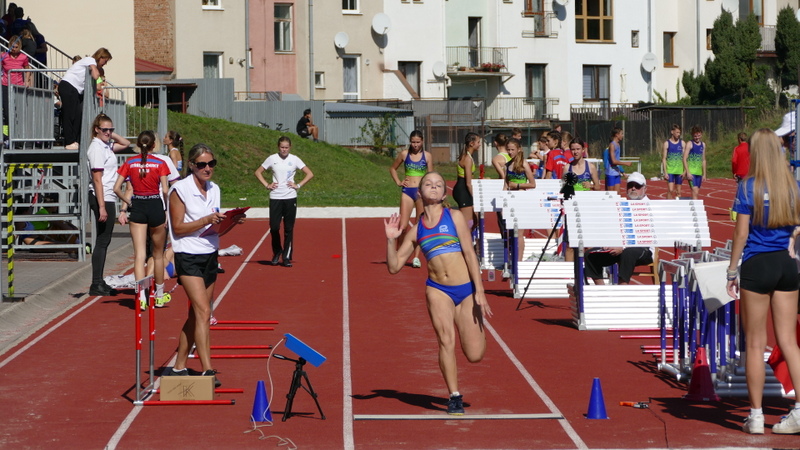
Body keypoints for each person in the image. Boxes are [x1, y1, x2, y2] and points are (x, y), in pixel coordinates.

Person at [384, 171, 492, 415]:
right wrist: (391, 240)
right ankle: (454, 395)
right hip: (438, 290)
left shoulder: (454, 217)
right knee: (445, 340)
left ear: (444, 194)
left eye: (438, 185)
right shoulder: (416, 230)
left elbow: (469, 254)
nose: (433, 187)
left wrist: (480, 291)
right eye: (428, 184)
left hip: (466, 290)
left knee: (475, 355)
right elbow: (393, 267)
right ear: (420, 192)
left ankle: (473, 327)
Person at [727, 129, 800, 435]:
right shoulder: (792, 185)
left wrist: (732, 270)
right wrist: (793, 239)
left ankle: (756, 416)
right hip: (786, 264)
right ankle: (799, 411)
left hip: (757, 263)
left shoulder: (748, 187)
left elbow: (741, 233)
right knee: (789, 342)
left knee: (755, 344)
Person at [164, 144, 245, 386]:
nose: (207, 168)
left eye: (211, 163)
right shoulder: (180, 190)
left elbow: (215, 227)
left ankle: (178, 367)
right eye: (202, 164)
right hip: (187, 255)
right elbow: (178, 228)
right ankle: (207, 369)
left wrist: (231, 221)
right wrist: (206, 219)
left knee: (196, 314)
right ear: (191, 165)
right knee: (203, 312)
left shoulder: (214, 189)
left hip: (209, 253)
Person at [114, 131, 171, 310]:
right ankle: (159, 296)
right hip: (155, 205)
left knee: (139, 255)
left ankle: (141, 297)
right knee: (158, 255)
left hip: (138, 205)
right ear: (154, 145)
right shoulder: (160, 163)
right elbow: (165, 190)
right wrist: (166, 210)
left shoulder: (130, 162)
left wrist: (128, 202)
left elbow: (116, 188)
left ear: (138, 145)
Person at [86, 113, 131, 296]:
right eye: (105, 129)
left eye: (110, 129)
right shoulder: (96, 148)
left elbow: (126, 143)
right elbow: (97, 179)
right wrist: (102, 206)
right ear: (97, 129)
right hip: (102, 196)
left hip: (108, 196)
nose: (108, 132)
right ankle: (96, 283)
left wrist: (111, 134)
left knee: (105, 240)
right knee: (103, 240)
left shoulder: (105, 145)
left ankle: (99, 281)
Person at [584, 172, 653, 285]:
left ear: (645, 188)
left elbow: (644, 237)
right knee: (590, 254)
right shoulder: (623, 205)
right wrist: (607, 243)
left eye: (637, 186)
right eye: (630, 186)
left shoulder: (649, 207)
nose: (633, 188)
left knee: (628, 253)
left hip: (643, 249)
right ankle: (601, 290)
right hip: (621, 246)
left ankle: (622, 288)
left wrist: (623, 247)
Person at [254, 136, 314, 267]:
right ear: (278, 147)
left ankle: (286, 256)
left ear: (290, 147)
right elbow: (258, 172)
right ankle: (277, 252)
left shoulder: (294, 159)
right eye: (282, 147)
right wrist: (267, 185)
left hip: (290, 197)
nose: (284, 150)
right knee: (274, 227)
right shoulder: (272, 159)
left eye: (286, 147)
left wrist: (298, 185)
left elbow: (309, 173)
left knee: (288, 228)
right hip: (276, 196)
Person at [389, 130, 431, 268]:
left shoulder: (427, 156)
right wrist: (398, 181)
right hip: (407, 192)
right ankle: (398, 252)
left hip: (420, 193)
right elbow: (393, 169)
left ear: (422, 141)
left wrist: (429, 191)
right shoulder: (404, 154)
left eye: (418, 142)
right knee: (403, 226)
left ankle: (416, 257)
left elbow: (431, 175)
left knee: (419, 226)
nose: (415, 145)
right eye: (413, 142)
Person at [58, 48, 112, 150]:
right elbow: (96, 76)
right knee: (69, 114)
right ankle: (69, 142)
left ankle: (75, 140)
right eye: (105, 61)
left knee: (78, 115)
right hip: (68, 86)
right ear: (100, 57)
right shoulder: (90, 60)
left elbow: (98, 86)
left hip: (76, 90)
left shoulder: (92, 65)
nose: (105, 63)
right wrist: (99, 72)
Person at [1, 35, 30, 143]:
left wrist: (27, 80)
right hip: (5, 85)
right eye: (12, 47)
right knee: (6, 112)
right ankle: (7, 136)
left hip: (18, 87)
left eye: (16, 47)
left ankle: (18, 136)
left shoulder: (23, 57)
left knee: (18, 112)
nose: (14, 49)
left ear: (20, 47)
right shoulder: (4, 56)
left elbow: (27, 69)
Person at [453, 132, 480, 231]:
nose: (480, 144)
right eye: (478, 142)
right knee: (468, 223)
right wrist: (475, 197)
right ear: (472, 143)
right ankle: (461, 239)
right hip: (463, 190)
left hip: (463, 188)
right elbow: (468, 183)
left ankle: (467, 238)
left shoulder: (468, 156)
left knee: (474, 221)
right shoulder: (467, 158)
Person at [603, 127, 632, 192]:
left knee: (617, 193)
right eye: (621, 134)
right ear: (617, 135)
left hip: (617, 172)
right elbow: (613, 161)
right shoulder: (612, 145)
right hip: (611, 173)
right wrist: (626, 163)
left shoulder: (618, 145)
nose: (623, 135)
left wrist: (623, 172)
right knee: (611, 193)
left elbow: (617, 159)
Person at [683, 125, 707, 200]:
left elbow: (703, 160)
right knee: (695, 192)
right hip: (692, 172)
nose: (697, 138)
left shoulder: (703, 145)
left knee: (696, 193)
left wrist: (704, 174)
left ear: (701, 134)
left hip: (699, 173)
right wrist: (688, 172)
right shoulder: (690, 144)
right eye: (695, 136)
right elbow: (684, 158)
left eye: (698, 136)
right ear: (692, 135)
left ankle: (693, 205)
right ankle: (695, 207)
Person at [662, 124, 684, 199]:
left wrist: (685, 171)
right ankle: (668, 203)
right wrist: (665, 172)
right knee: (670, 190)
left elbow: (685, 158)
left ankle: (677, 205)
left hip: (679, 171)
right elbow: (664, 158)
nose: (679, 134)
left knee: (678, 191)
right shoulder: (667, 143)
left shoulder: (682, 143)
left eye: (679, 132)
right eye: (677, 132)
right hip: (670, 170)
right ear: (672, 132)